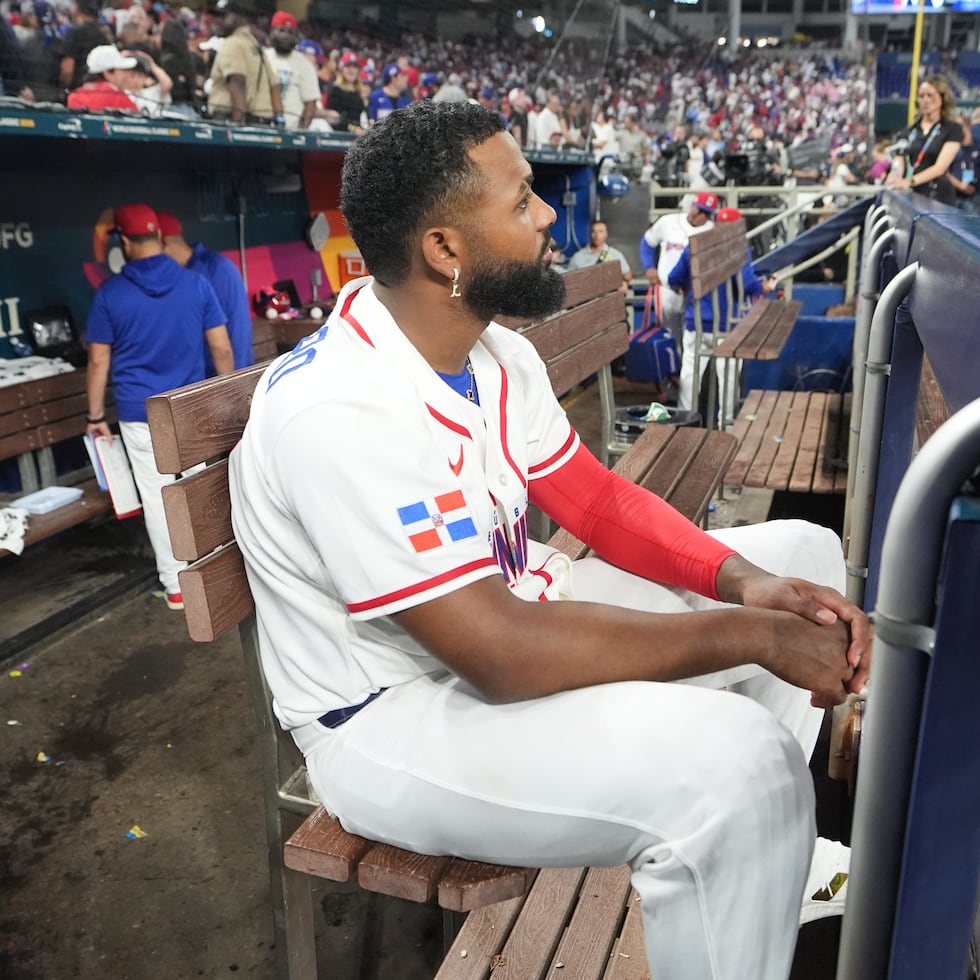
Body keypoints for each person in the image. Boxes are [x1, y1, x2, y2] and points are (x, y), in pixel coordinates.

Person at [228, 102, 867, 980]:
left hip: (508, 623)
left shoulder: (490, 350)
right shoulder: (340, 409)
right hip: (387, 721)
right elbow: (499, 654)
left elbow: (595, 501)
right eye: (523, 199)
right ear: (445, 250)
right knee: (736, 766)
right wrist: (753, 634)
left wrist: (745, 583)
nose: (546, 218)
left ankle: (761, 872)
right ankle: (747, 841)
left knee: (801, 558)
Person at [85, 204, 233, 610]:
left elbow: (98, 360)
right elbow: (220, 347)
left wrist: (95, 416)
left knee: (159, 497)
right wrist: (223, 397)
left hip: (140, 412)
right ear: (160, 239)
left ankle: (177, 586)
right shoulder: (196, 283)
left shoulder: (110, 293)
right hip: (189, 406)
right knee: (202, 490)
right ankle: (215, 569)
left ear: (125, 242)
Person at [668, 206, 775, 422]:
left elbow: (673, 278)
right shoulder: (738, 249)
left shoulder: (695, 246)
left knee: (690, 377)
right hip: (727, 327)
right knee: (728, 381)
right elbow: (747, 285)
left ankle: (683, 426)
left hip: (697, 325)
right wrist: (763, 288)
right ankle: (725, 426)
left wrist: (684, 287)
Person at [156, 210, 253, 372]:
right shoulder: (174, 275)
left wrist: (236, 386)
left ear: (163, 242)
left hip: (221, 378)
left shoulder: (216, 268)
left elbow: (238, 331)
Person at [639, 190, 718, 343]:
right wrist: (649, 267)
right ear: (692, 206)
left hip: (695, 295)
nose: (700, 215)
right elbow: (647, 243)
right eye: (699, 209)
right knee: (669, 337)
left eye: (706, 213)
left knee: (692, 340)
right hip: (666, 290)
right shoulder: (668, 221)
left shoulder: (713, 231)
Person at [886, 74, 961, 204]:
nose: (925, 100)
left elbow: (940, 168)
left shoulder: (951, 129)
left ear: (942, 98)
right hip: (909, 194)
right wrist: (894, 178)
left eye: (930, 95)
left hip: (937, 196)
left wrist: (909, 182)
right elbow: (899, 161)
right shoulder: (908, 132)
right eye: (921, 96)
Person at [206, 0, 282, 126]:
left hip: (233, 119)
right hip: (261, 122)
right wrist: (280, 120)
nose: (217, 21)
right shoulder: (255, 44)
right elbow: (274, 86)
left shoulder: (233, 43)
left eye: (223, 16)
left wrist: (239, 124)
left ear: (238, 18)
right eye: (216, 16)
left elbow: (237, 81)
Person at [263, 11, 319, 130]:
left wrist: (301, 131)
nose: (286, 35)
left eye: (290, 32)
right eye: (281, 30)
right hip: (260, 125)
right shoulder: (262, 57)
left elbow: (311, 103)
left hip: (290, 131)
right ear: (272, 31)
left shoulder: (304, 64)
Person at [57, 0, 112, 94]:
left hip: (77, 92)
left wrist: (64, 89)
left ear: (78, 8)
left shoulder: (74, 32)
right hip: (99, 91)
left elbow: (67, 69)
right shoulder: (104, 34)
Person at [66, 44, 139, 112]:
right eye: (123, 70)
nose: (128, 75)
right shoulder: (119, 98)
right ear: (108, 73)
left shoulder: (74, 96)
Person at [565, 219, 632, 292]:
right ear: (589, 234)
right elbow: (569, 281)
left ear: (606, 234)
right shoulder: (578, 257)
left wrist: (624, 282)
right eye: (593, 232)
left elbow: (627, 275)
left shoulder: (616, 255)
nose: (597, 235)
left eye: (600, 232)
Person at [326, 50, 366, 134]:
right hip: (338, 136)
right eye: (348, 66)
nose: (351, 70)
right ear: (341, 69)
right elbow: (330, 118)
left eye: (355, 66)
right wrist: (352, 128)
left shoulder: (359, 93)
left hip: (356, 138)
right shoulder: (335, 90)